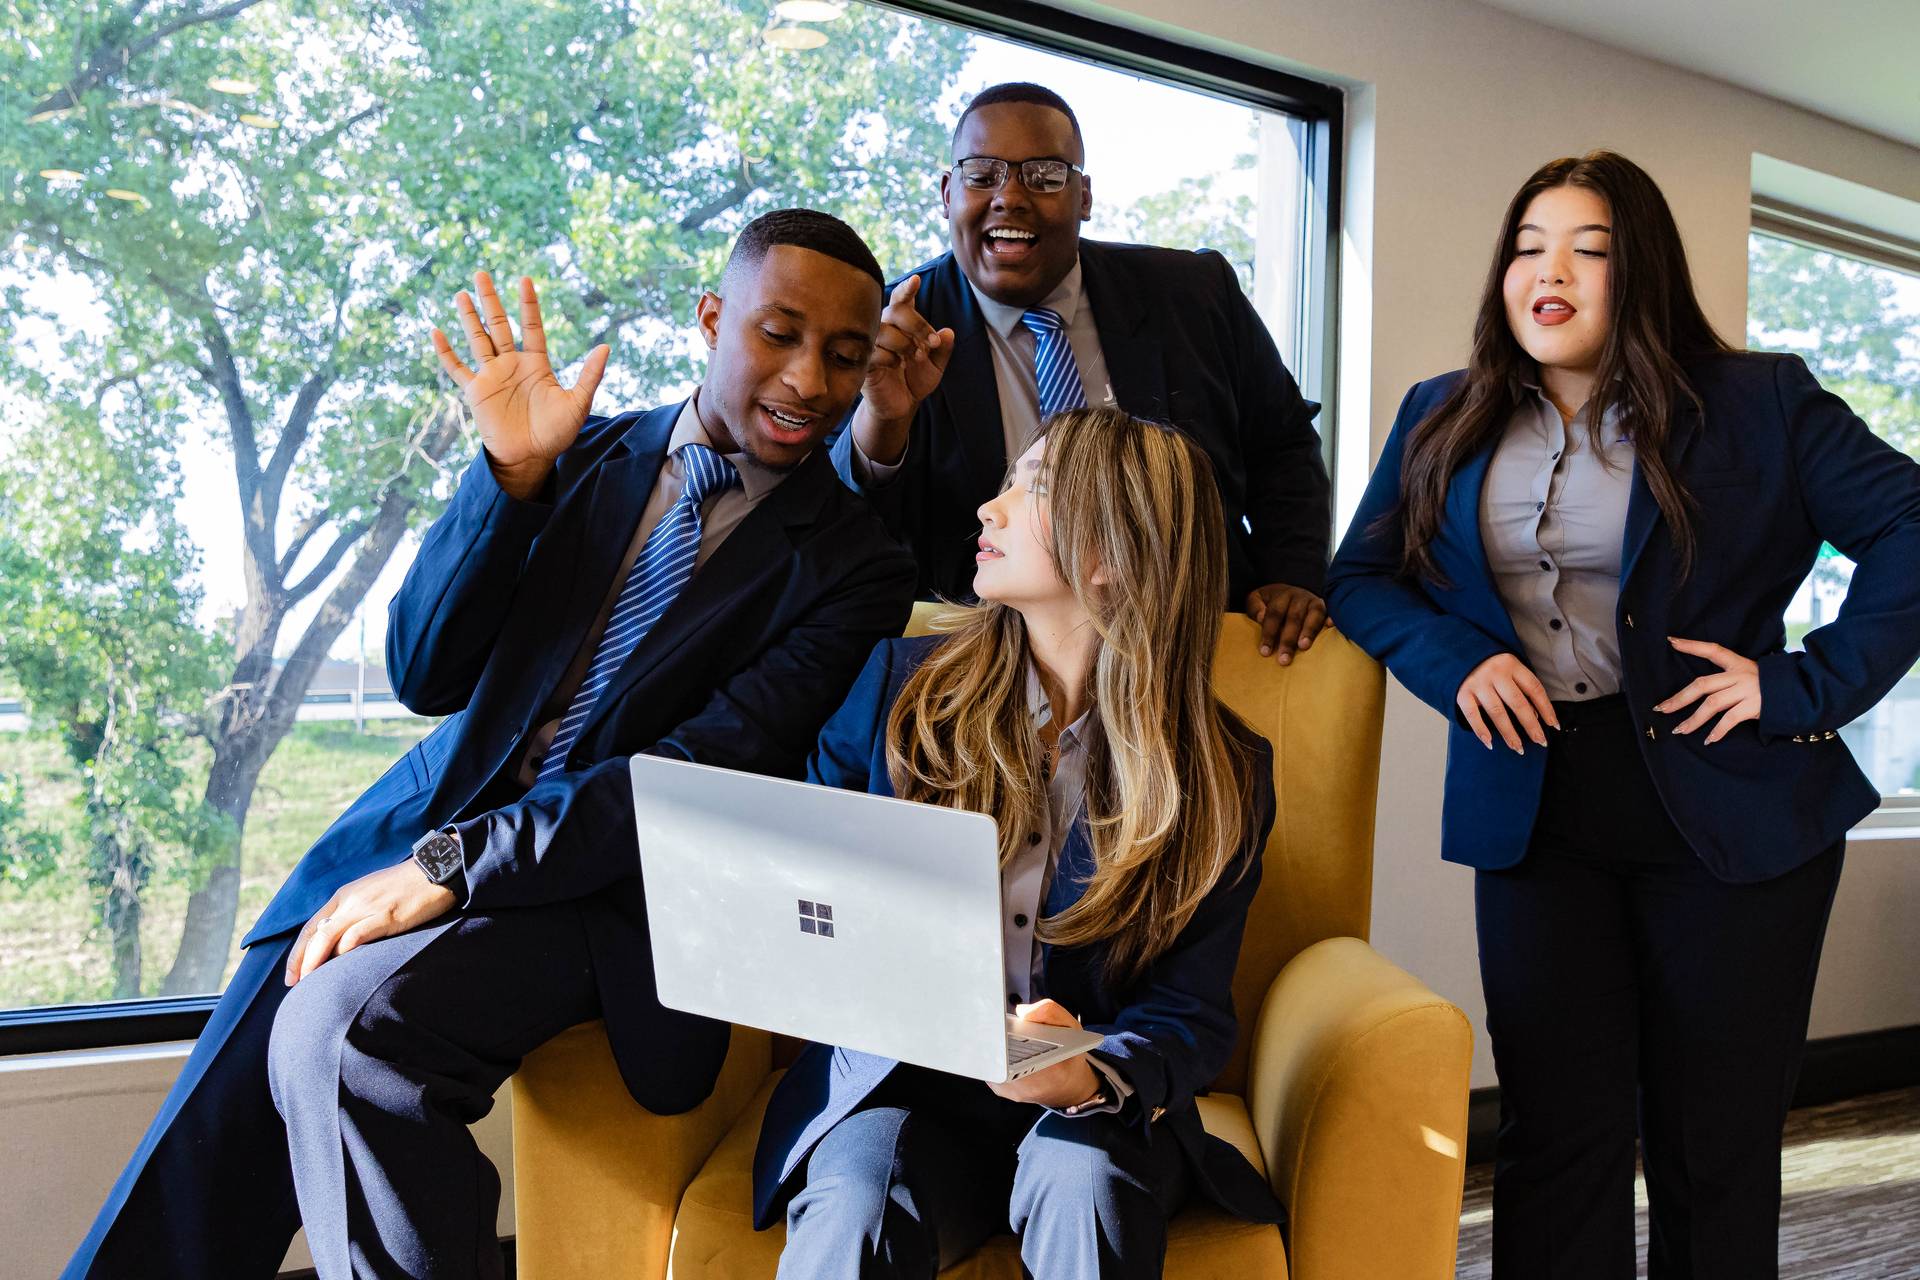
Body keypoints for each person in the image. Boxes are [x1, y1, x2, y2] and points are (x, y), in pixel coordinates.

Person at [64, 209, 917, 1280]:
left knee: (343, 1033)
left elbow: (695, 777)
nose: (808, 381)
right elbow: (426, 671)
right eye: (779, 334)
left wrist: (452, 868)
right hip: (420, 825)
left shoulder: (855, 567)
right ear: (712, 316)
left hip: (611, 885)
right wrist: (506, 481)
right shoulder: (573, 454)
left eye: (845, 356)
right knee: (203, 1148)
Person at [1324, 151, 1920, 1279]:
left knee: (1712, 1142)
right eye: (1528, 245)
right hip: (1536, 802)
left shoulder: (1761, 400)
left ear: (1638, 271)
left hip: (1731, 801)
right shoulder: (1437, 414)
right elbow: (1361, 577)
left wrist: (1799, 683)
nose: (1550, 272)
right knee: (1556, 1131)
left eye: (1589, 249)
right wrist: (1454, 663)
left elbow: (1911, 527)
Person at [756, 406, 1286, 1280]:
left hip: (1096, 1115)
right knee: (853, 1206)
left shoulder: (1224, 773)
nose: (986, 510)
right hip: (903, 1090)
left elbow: (1191, 1014)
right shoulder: (900, 691)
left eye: (1030, 490)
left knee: (1083, 1178)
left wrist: (1086, 1071)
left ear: (1114, 552)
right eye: (1005, 483)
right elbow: (806, 893)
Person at [836, 81, 1334, 665]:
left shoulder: (1196, 294)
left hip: (1192, 648)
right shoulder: (889, 330)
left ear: (1085, 196)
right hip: (987, 662)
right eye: (982, 174)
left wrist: (1292, 575)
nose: (1010, 196)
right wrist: (882, 419)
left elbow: (1283, 446)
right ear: (948, 193)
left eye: (1044, 175)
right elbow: (850, 529)